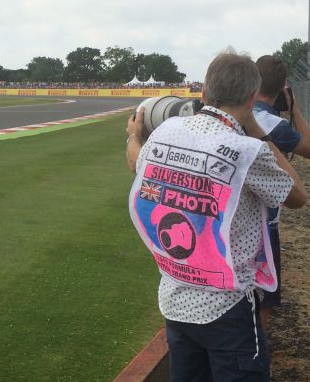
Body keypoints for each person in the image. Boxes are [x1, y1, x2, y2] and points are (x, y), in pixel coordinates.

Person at [125, 49, 306, 382]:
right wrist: (258, 132)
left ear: (204, 92)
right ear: (252, 98)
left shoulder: (165, 132)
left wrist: (135, 135)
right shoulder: (248, 151)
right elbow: (296, 196)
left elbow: (135, 160)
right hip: (229, 305)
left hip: (175, 297)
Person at [253, 55, 310, 330]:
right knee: (264, 299)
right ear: (282, 90)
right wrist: (294, 108)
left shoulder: (231, 114)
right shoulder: (277, 127)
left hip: (227, 216)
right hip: (265, 224)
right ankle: (258, 356)